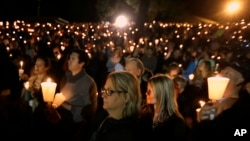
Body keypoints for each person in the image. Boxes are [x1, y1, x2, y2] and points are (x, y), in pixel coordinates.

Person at [191, 60, 250, 140]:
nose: (222, 75)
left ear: (240, 81)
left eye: (228, 74)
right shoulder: (210, 98)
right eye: (222, 71)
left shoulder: (238, 108)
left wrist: (212, 123)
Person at [57, 48, 98, 141]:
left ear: (81, 63)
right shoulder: (65, 77)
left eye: (73, 59)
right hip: (61, 123)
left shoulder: (88, 83)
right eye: (69, 58)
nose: (69, 61)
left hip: (76, 129)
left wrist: (65, 105)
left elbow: (90, 111)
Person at [90, 71, 142, 141]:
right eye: (104, 90)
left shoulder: (126, 134)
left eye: (110, 91)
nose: (103, 95)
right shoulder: (102, 117)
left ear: (127, 97)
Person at [146, 74, 190, 141]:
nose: (146, 93)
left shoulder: (175, 122)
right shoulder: (145, 114)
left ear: (161, 93)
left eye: (149, 91)